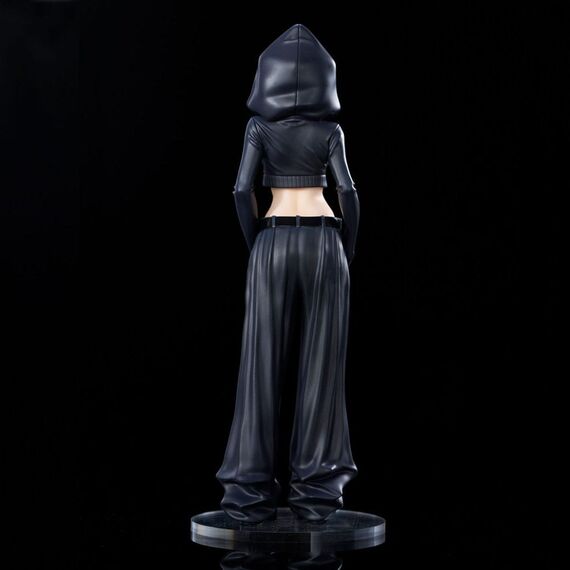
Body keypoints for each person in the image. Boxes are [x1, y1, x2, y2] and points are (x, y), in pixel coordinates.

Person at [216, 23, 361, 523]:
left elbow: (241, 191)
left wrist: (257, 242)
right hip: (324, 241)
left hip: (272, 238)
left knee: (259, 364)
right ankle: (317, 492)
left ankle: (247, 491)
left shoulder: (258, 128)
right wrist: (346, 248)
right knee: (322, 367)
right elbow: (348, 193)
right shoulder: (331, 132)